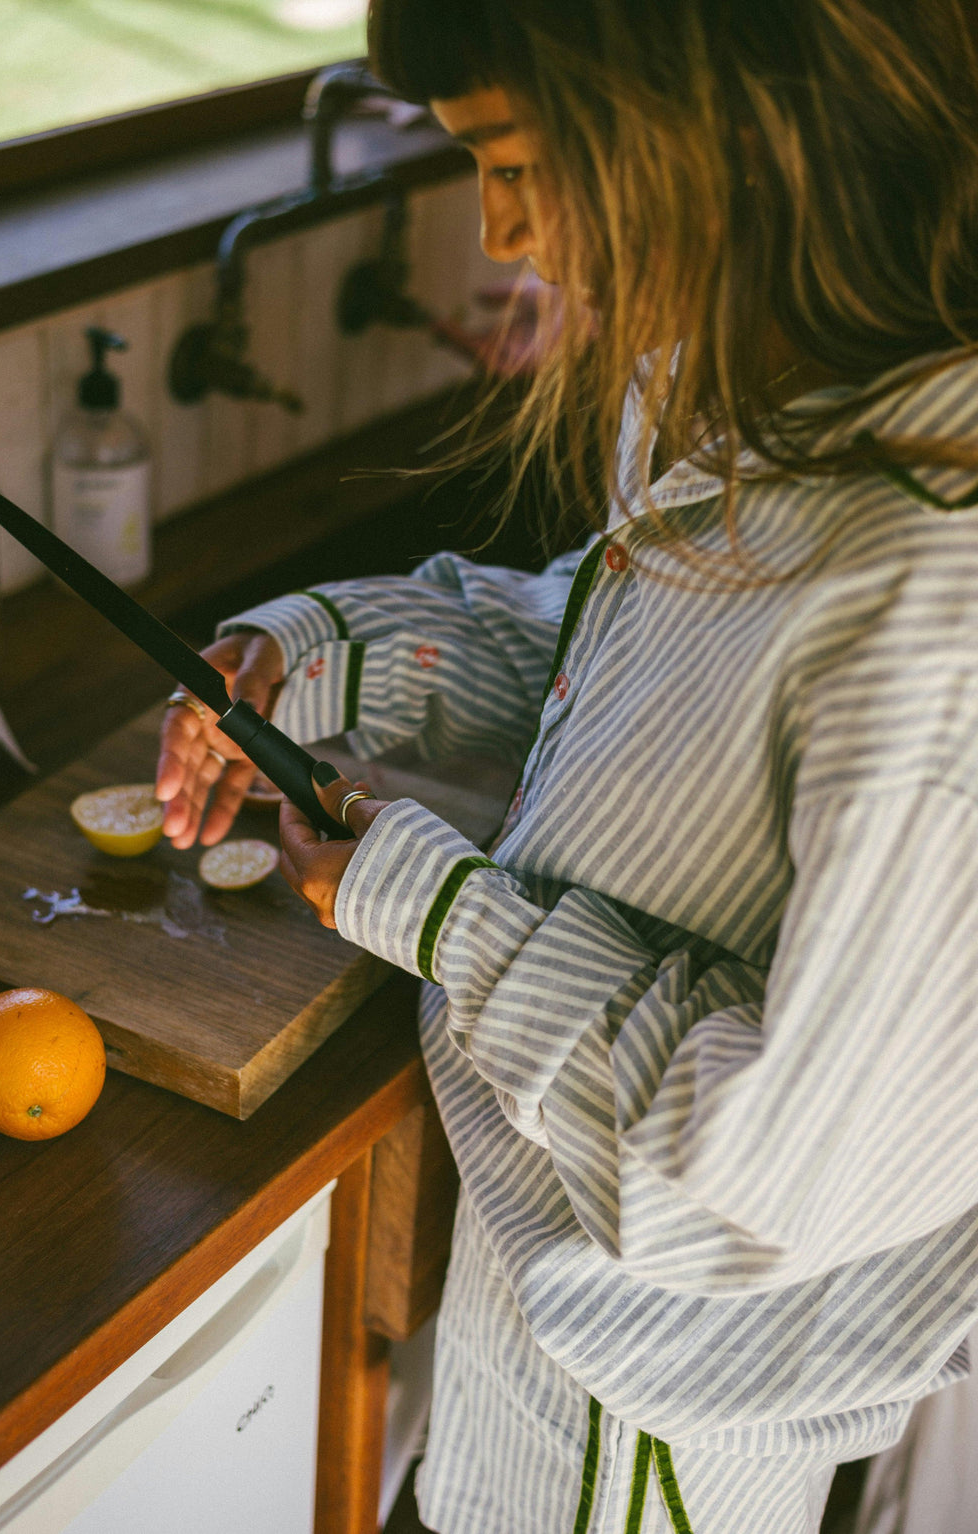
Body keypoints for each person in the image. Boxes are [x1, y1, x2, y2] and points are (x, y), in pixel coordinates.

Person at [155, 3, 978, 1530]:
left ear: (716, 118)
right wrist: (317, 647)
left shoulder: (934, 594)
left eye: (516, 161)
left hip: (649, 1439)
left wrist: (435, 906)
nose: (500, 232)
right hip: (530, 1352)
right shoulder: (737, 379)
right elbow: (611, 663)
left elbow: (751, 1182)